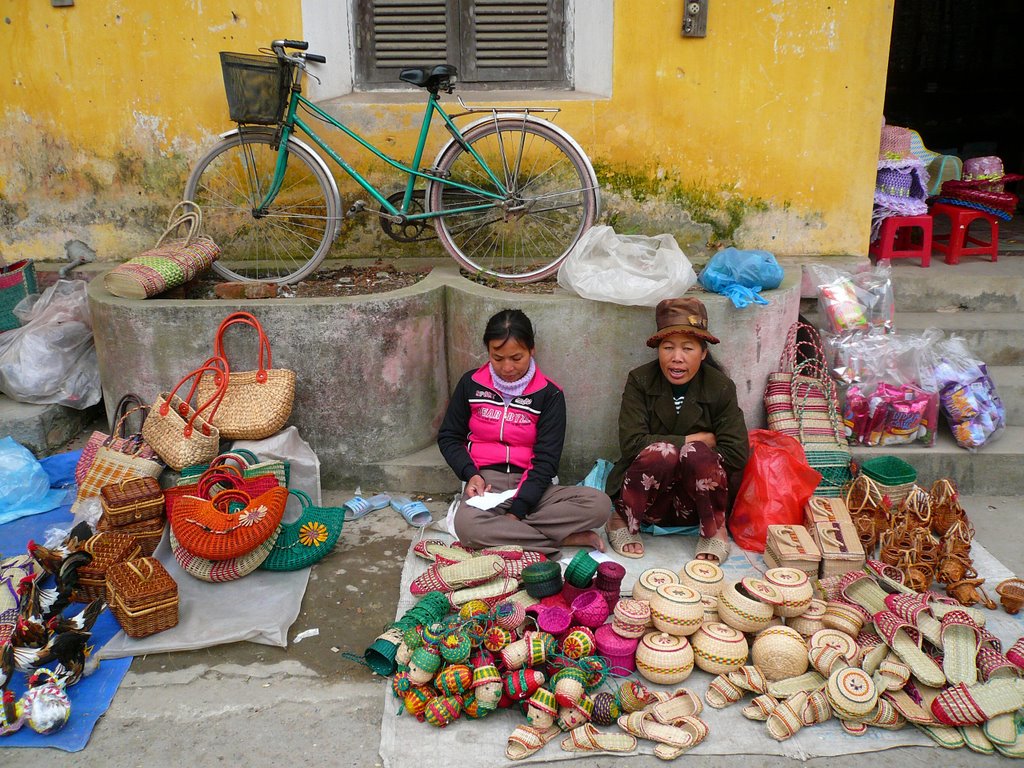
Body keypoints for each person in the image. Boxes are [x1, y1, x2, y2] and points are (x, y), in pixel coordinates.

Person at [437, 309, 612, 557]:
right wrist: (470, 473)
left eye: (516, 358)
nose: (507, 367)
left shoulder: (549, 394)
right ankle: (561, 538)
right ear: (488, 351)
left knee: (600, 505)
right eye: (497, 358)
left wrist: (517, 511)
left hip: (534, 487)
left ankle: (511, 535)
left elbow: (546, 461)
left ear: (532, 350)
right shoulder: (471, 384)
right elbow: (449, 437)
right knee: (467, 525)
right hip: (486, 486)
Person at [605, 297, 748, 563]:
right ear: (658, 350)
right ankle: (621, 519)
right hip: (648, 500)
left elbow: (737, 453)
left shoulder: (721, 387)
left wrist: (694, 451)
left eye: (688, 348)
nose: (677, 358)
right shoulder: (640, 380)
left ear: (703, 353)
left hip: (695, 504)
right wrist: (691, 439)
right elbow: (631, 443)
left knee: (696, 454)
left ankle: (714, 529)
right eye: (668, 347)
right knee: (664, 452)